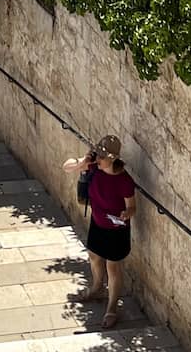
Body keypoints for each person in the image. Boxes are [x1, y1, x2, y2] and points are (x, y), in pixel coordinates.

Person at [62, 135, 136, 329]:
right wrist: (83, 161)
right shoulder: (94, 167)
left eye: (102, 157)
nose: (99, 159)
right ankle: (97, 288)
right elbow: (66, 167)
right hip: (98, 223)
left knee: (113, 268)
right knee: (94, 256)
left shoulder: (124, 181)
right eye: (98, 155)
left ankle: (112, 308)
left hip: (116, 230)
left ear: (113, 159)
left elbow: (132, 207)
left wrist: (126, 214)